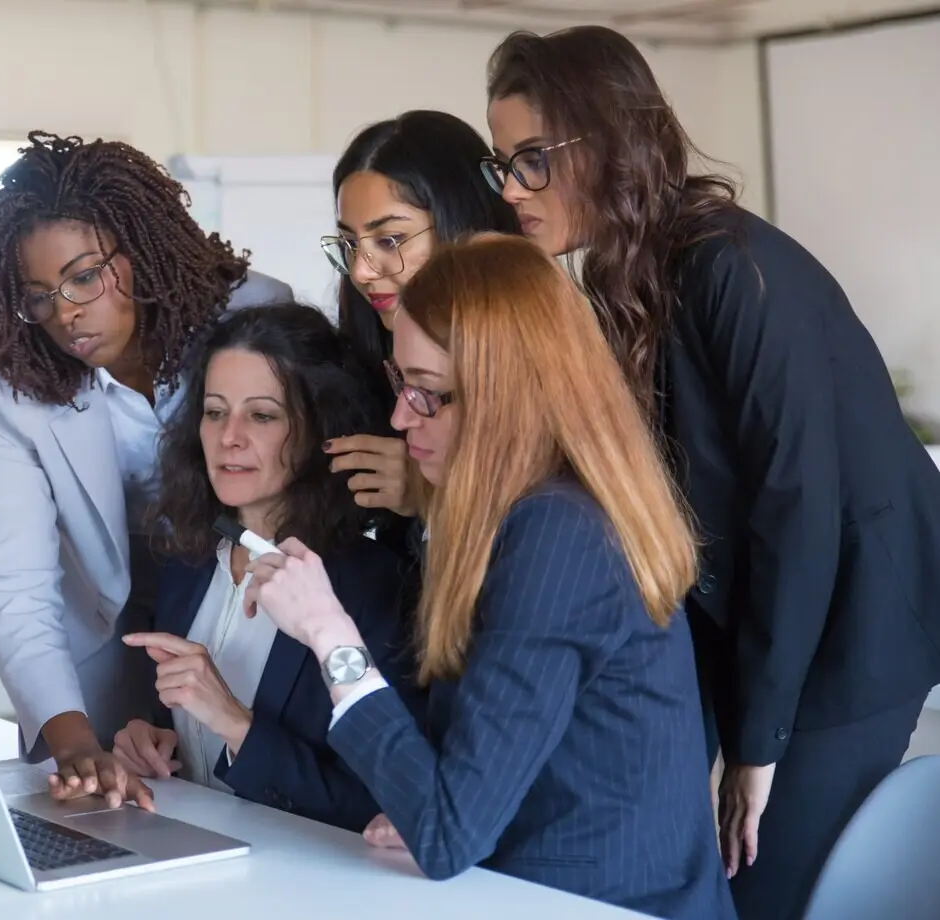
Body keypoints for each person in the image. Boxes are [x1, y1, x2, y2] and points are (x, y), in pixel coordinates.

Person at [484, 25, 940, 920]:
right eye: (501, 162)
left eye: (532, 160)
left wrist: (756, 745)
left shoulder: (728, 266)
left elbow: (797, 511)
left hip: (858, 633)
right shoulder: (628, 276)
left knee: (761, 886)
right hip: (773, 625)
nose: (510, 188)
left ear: (606, 141)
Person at [243, 234, 736, 920]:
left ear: (510, 398)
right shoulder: (521, 517)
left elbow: (448, 833)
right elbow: (471, 787)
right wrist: (429, 810)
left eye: (430, 396)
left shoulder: (556, 536)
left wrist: (330, 635)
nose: (398, 417)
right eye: (401, 381)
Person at [0, 131, 292, 811]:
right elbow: (14, 579)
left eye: (83, 276)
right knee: (112, 810)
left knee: (243, 795)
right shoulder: (18, 378)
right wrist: (73, 740)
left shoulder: (255, 316)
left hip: (238, 605)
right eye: (38, 295)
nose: (65, 314)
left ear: (142, 249)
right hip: (103, 627)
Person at [113, 303, 414, 832]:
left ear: (320, 427)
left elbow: (378, 805)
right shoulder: (185, 562)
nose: (230, 436)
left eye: (262, 415)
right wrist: (153, 740)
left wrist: (235, 724)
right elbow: (184, 731)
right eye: (214, 411)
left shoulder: (373, 585)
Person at [321, 110, 521, 545]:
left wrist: (430, 495)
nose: (360, 272)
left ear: (460, 225)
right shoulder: (359, 355)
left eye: (389, 240)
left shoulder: (533, 366)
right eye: (350, 244)